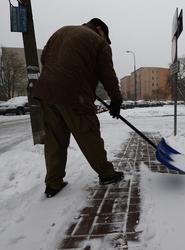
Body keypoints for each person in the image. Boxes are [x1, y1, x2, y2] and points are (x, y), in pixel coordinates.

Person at [34, 18, 124, 198]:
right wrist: (116, 101)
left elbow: (45, 58)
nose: (106, 41)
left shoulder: (61, 31)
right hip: (74, 95)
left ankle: (53, 183)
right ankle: (106, 174)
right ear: (100, 29)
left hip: (46, 92)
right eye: (106, 37)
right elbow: (108, 75)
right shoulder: (98, 42)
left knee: (55, 139)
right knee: (88, 133)